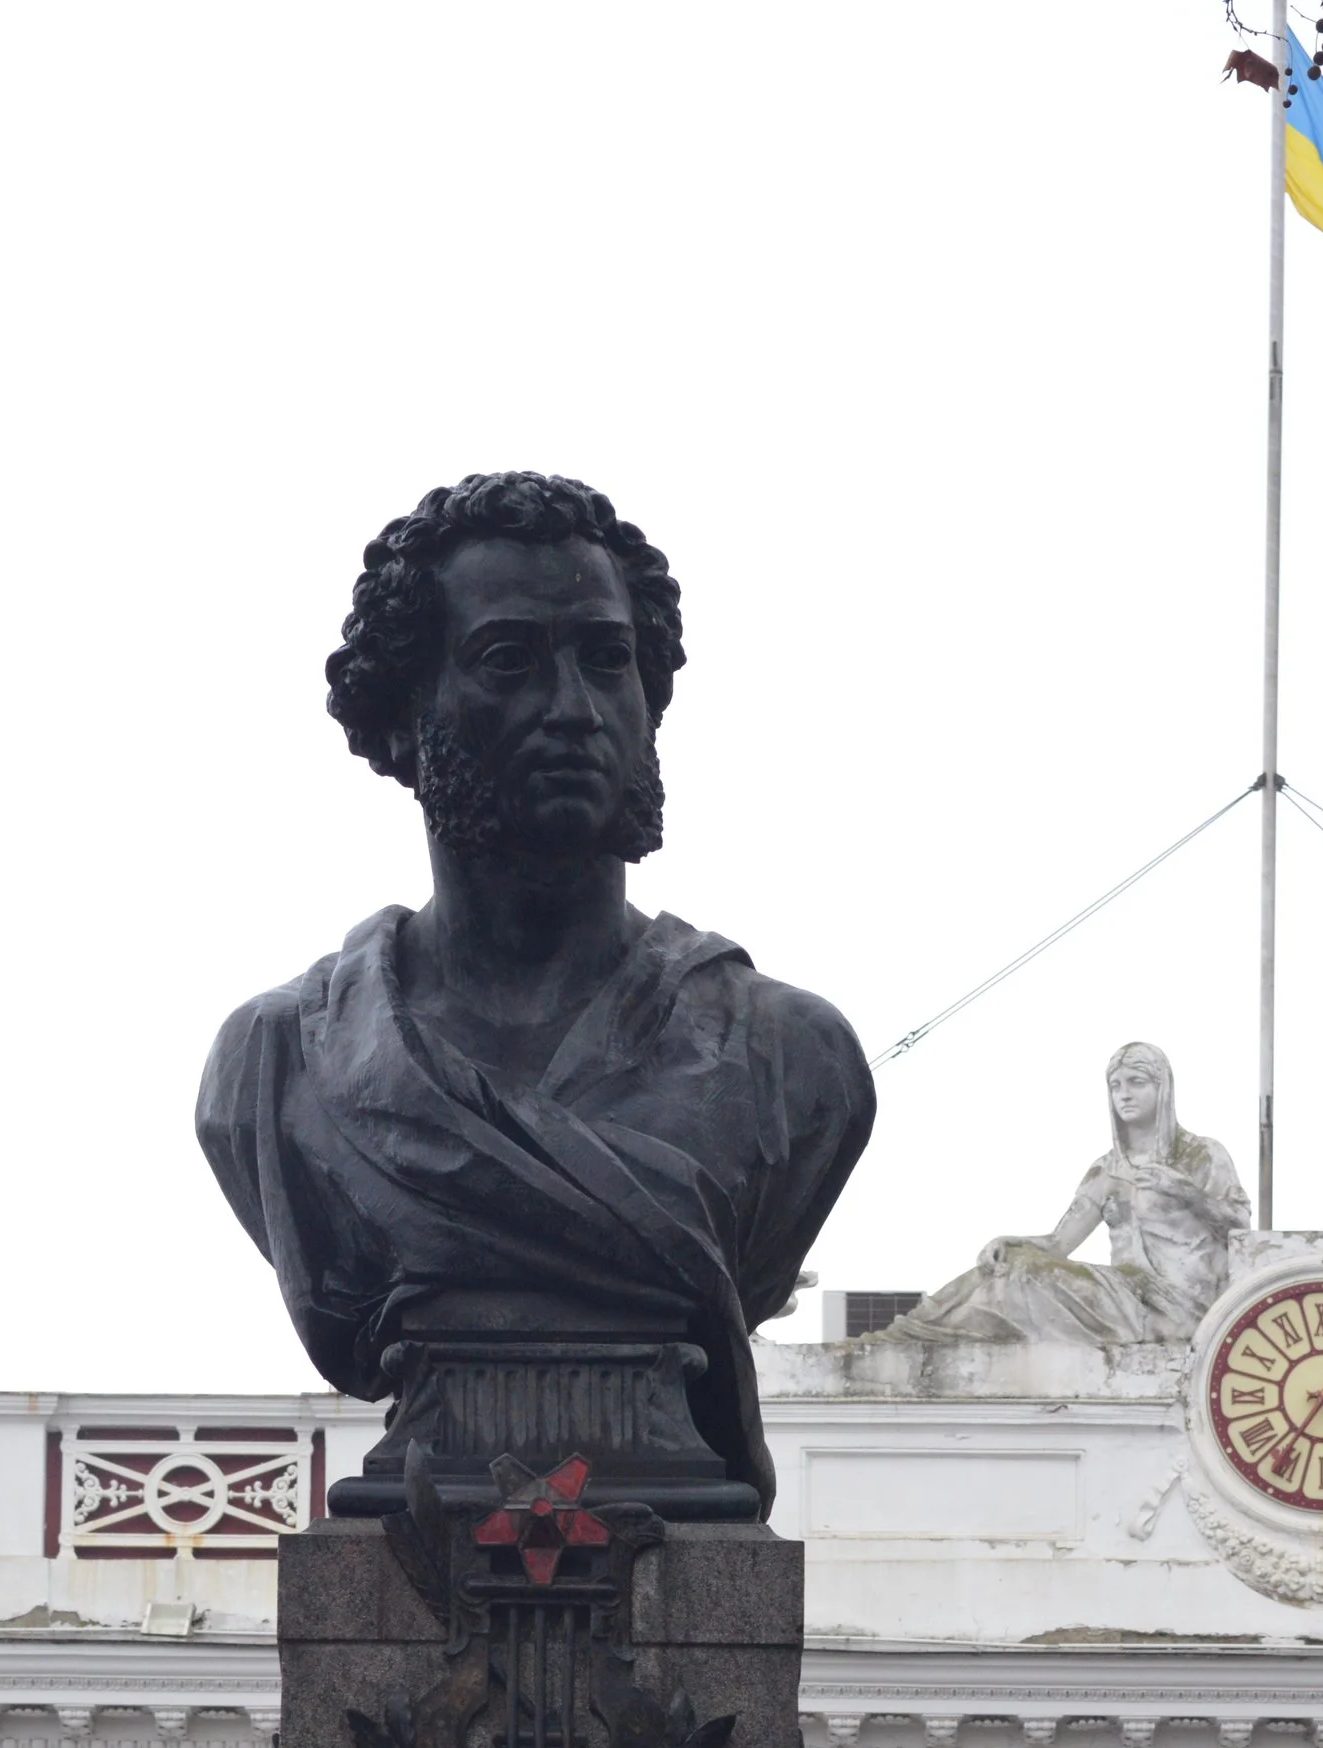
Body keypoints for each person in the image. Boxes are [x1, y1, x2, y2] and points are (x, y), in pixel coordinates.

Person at [196, 470, 875, 1516]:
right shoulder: (281, 1062)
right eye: (508, 662)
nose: (572, 711)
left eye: (606, 662)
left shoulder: (792, 1059)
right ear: (400, 719)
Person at [898, 1041, 1251, 1351]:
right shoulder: (1105, 1170)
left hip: (1178, 1310)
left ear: (1163, 1089)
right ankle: (919, 1331)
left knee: (1026, 1280)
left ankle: (927, 1333)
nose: (1124, 1094)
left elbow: (1239, 1226)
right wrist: (1010, 1241)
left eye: (1136, 1083)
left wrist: (1185, 1191)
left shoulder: (1201, 1155)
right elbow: (1058, 1244)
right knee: (1010, 1267)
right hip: (1124, 1295)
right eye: (1115, 1086)